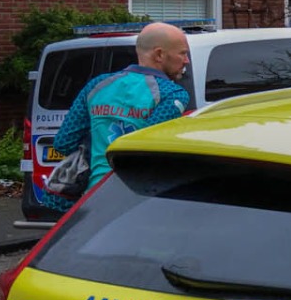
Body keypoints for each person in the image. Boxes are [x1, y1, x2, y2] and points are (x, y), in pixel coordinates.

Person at [50, 22, 193, 197]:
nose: (186, 60)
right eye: (182, 53)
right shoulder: (172, 94)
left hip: (93, 195)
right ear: (159, 54)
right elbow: (149, 151)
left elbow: (63, 143)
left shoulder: (97, 85)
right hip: (136, 196)